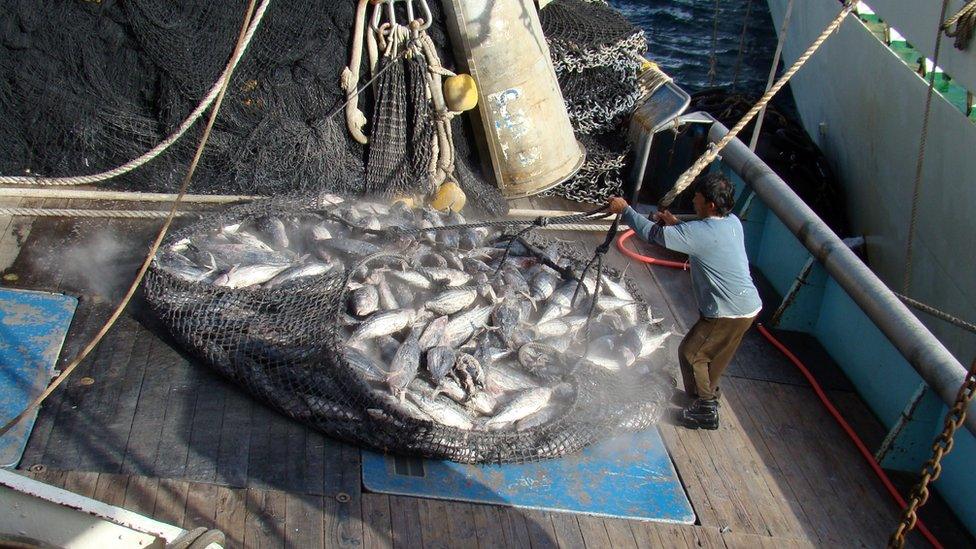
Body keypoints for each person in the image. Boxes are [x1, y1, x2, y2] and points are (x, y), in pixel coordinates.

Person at [608, 174, 761, 430]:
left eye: (698, 198)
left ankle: (706, 410)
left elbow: (651, 234)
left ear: (710, 205)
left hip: (726, 312)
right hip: (748, 308)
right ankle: (701, 396)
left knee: (691, 354)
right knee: (713, 357)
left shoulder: (700, 232)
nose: (693, 200)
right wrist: (676, 223)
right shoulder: (732, 222)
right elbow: (703, 238)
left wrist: (626, 210)